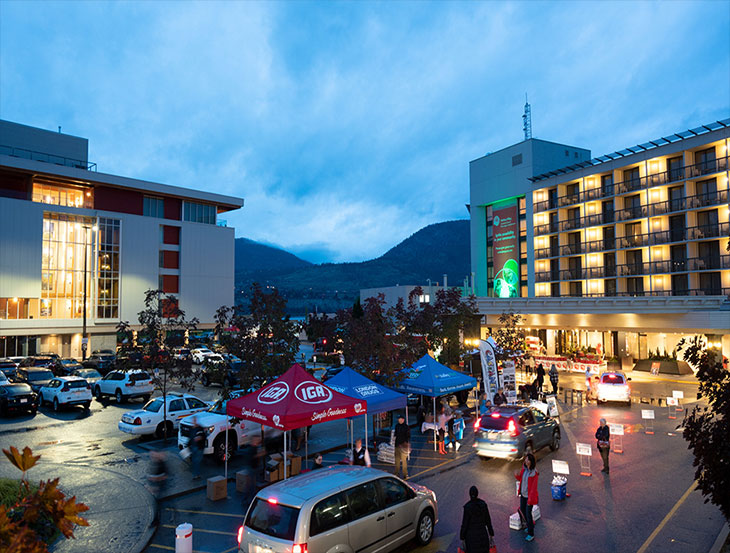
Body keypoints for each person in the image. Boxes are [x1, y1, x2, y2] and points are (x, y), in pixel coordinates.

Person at [459, 485, 495, 553]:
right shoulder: (483, 505)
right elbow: (488, 521)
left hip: (471, 539)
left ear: (470, 494)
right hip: (483, 537)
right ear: (477, 494)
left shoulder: (467, 507)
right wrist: (491, 533)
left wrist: (462, 537)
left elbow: (464, 524)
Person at [515, 453, 539, 542]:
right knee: (523, 510)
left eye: (527, 459)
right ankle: (530, 526)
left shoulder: (534, 473)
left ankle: (531, 533)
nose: (525, 461)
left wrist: (530, 500)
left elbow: (533, 488)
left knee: (528, 514)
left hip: (530, 497)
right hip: (523, 495)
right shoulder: (524, 470)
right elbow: (521, 479)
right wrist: (517, 475)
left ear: (531, 462)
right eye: (525, 459)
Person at [147, 450, 169, 526]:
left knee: (156, 504)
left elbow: (165, 475)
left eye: (153, 455)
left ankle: (156, 521)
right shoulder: (155, 462)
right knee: (158, 503)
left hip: (160, 486)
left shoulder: (162, 463)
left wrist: (155, 479)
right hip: (157, 486)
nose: (152, 457)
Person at [238, 435, 261, 508]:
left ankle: (246, 499)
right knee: (251, 486)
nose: (258, 441)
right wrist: (259, 454)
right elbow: (253, 457)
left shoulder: (254, 447)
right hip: (252, 468)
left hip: (253, 468)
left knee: (250, 485)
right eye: (257, 440)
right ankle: (248, 500)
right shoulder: (252, 449)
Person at [394, 414, 410, 479]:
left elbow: (408, 436)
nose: (398, 420)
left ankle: (405, 474)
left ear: (403, 419)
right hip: (398, 445)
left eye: (400, 419)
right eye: (398, 419)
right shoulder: (397, 426)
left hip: (403, 446)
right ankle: (397, 473)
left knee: (403, 461)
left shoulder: (405, 427)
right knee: (397, 460)